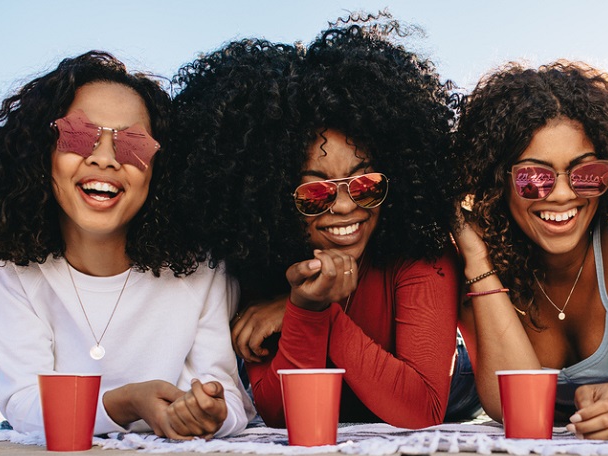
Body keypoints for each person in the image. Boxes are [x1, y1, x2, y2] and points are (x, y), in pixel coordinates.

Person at [169, 18, 468, 429]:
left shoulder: (420, 254)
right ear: (271, 197)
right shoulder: (262, 261)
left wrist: (310, 311)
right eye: (315, 194)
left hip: (452, 387)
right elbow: (280, 413)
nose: (345, 206)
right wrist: (306, 306)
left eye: (364, 184)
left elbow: (423, 409)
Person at [0, 52, 253, 440]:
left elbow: (230, 399)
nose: (105, 158)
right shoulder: (18, 270)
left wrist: (210, 413)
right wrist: (124, 403)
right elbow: (23, 401)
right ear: (41, 152)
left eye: (133, 143)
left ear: (161, 168)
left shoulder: (201, 269)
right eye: (78, 135)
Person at [452, 61, 608, 441]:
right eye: (534, 177)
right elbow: (507, 405)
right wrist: (479, 263)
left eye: (586, 174)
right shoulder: (478, 255)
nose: (563, 194)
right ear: (498, 181)